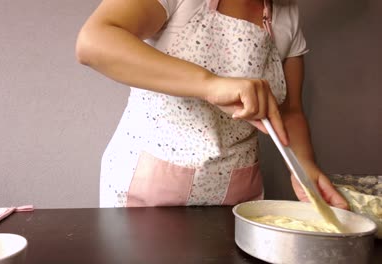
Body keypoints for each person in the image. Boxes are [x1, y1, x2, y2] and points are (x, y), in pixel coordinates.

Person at [75, 0, 349, 209]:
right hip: (147, 193)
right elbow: (94, 41)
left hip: (233, 196)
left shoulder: (287, 14)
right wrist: (210, 84)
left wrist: (304, 169)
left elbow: (289, 112)